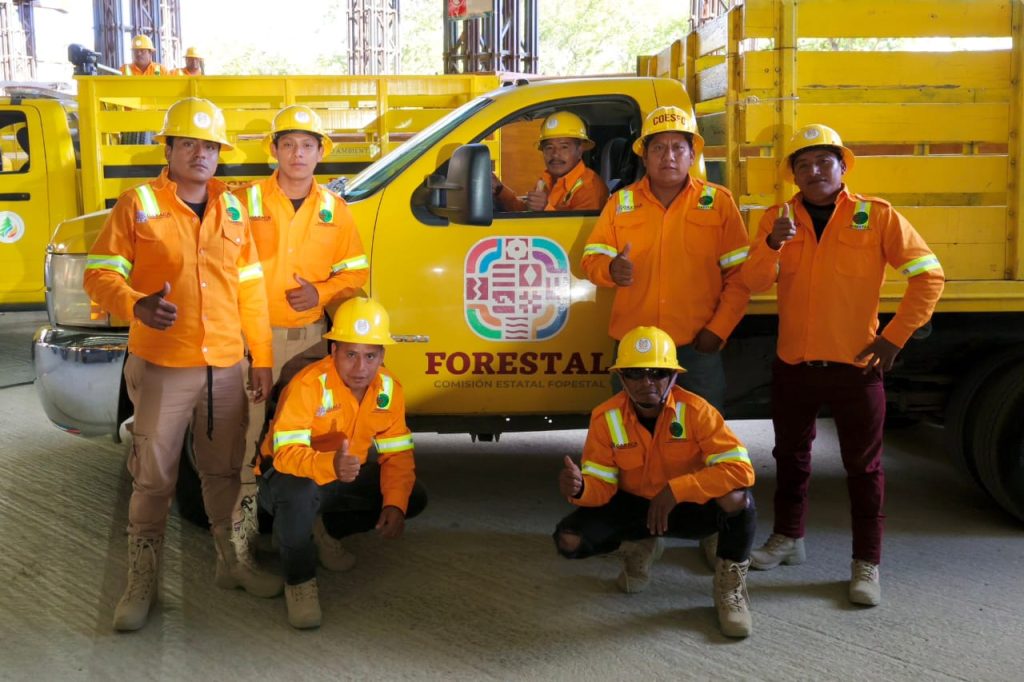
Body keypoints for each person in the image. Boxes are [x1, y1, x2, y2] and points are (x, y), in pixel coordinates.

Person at [84, 97, 283, 632]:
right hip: (164, 366)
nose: (201, 154)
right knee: (153, 478)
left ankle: (233, 563)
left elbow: (250, 290)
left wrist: (261, 357)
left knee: (224, 471)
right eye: (189, 144)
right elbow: (99, 273)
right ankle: (141, 583)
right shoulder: (138, 204)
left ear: (220, 154)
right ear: (168, 150)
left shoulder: (233, 209)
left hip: (225, 367)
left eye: (210, 146)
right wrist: (136, 304)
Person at [742, 124, 944, 606]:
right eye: (803, 164)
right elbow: (753, 282)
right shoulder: (776, 219)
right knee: (790, 457)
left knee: (863, 468)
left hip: (856, 367)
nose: (814, 171)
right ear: (793, 175)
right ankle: (789, 538)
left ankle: (866, 563)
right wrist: (771, 244)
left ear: (842, 167)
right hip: (794, 364)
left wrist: (894, 337)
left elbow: (928, 277)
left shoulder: (876, 216)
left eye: (823, 161)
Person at [553, 325, 756, 638]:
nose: (646, 381)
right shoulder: (606, 417)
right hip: (635, 508)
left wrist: (677, 489)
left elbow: (740, 470)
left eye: (657, 373)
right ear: (621, 378)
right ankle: (639, 545)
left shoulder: (698, 412)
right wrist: (581, 489)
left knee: (737, 500)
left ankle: (730, 588)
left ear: (673, 377)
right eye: (635, 373)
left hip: (686, 507)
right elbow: (602, 484)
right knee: (570, 541)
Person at [231, 104, 369, 564]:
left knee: (309, 443)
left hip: (310, 342)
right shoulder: (244, 201)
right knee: (247, 445)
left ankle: (311, 532)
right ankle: (242, 545)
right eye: (288, 144)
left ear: (321, 152)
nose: (297, 154)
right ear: (273, 150)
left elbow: (355, 271)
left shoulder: (335, 210)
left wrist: (321, 292)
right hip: (252, 340)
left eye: (308, 145)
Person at [256, 297, 427, 629]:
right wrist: (328, 466)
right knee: (299, 495)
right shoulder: (308, 385)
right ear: (333, 351)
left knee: (412, 497)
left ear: (382, 356)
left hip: (341, 474)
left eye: (370, 356)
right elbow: (284, 455)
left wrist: (394, 503)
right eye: (351, 354)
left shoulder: (388, 389)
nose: (360, 367)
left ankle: (319, 531)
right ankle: (299, 581)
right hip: (284, 476)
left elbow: (397, 454)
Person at [581, 105, 750, 412]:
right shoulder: (620, 203)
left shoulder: (718, 203)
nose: (668, 156)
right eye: (658, 148)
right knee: (631, 429)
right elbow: (592, 258)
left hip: (696, 347)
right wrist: (610, 269)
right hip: (635, 347)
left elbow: (740, 277)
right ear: (644, 157)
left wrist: (718, 330)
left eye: (677, 147)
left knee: (703, 429)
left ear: (691, 155)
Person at [492, 111, 609, 212]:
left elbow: (579, 230)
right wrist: (499, 189)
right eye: (549, 147)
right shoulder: (546, 180)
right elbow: (526, 213)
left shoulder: (590, 188)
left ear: (579, 151)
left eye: (564, 147)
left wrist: (545, 208)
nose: (555, 154)